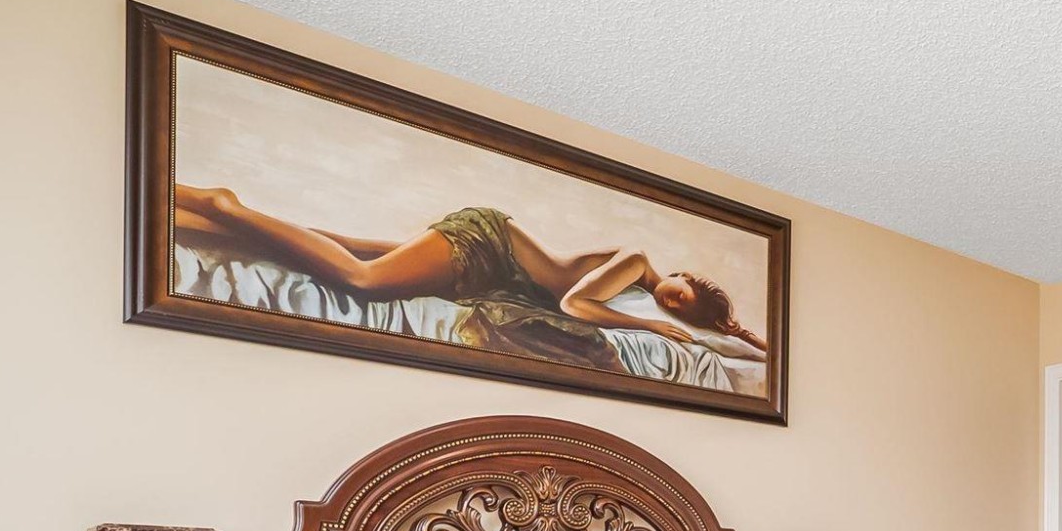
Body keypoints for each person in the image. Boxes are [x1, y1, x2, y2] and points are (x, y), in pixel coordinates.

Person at [173, 185, 766, 365]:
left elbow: (749, 343)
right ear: (681, 275)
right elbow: (578, 308)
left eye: (680, 309)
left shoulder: (647, 294)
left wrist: (740, 335)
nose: (674, 302)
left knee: (338, 248)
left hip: (492, 281)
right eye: (683, 293)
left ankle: (199, 220)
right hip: (491, 246)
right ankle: (225, 205)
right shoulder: (636, 263)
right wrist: (658, 333)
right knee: (362, 280)